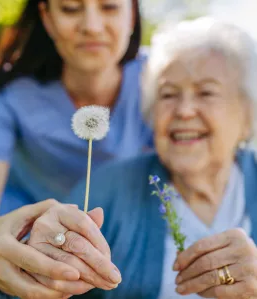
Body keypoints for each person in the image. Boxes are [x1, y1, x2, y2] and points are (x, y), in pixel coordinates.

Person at [24, 18, 257, 299]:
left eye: (206, 92)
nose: (183, 111)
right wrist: (32, 265)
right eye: (168, 94)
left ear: (247, 115)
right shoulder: (110, 188)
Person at [0, 0, 152, 298]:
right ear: (46, 18)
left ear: (132, 14)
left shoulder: (163, 83)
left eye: (110, 7)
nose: (91, 26)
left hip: (127, 261)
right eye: (71, 9)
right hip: (27, 261)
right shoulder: (8, 102)